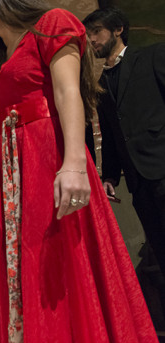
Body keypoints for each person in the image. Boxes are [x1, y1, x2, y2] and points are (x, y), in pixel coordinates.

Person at [0, 1, 161, 343]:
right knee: (29, 273)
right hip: (12, 181)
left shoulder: (50, 24)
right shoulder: (1, 60)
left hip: (46, 159)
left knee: (60, 265)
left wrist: (73, 162)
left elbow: (67, 92)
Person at [83, 7, 165, 277]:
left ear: (118, 30)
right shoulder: (101, 83)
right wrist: (109, 177)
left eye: (97, 31)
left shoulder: (152, 56)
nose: (92, 39)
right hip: (138, 183)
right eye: (89, 34)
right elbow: (110, 134)